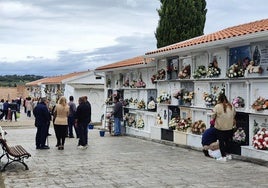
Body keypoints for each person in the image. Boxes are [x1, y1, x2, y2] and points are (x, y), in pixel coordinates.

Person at [211, 93, 236, 161]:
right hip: (229, 127)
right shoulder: (231, 106)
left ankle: (223, 156)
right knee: (228, 141)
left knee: (221, 142)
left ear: (219, 99)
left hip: (220, 127)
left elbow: (213, 116)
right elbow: (234, 114)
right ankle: (229, 155)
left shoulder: (217, 106)